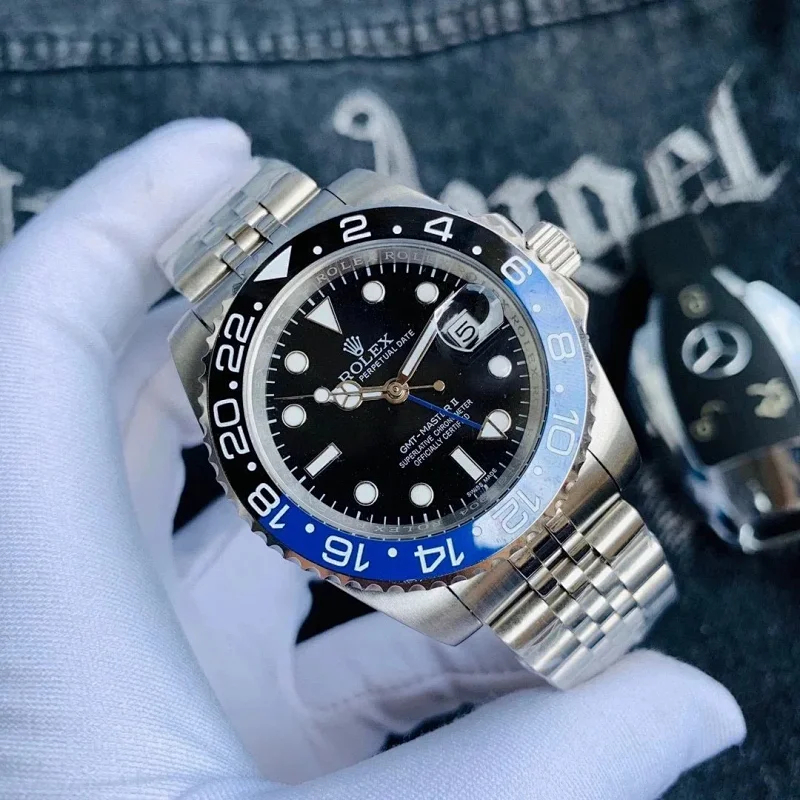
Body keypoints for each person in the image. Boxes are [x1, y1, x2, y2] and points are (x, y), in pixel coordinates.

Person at [0, 119, 744, 799]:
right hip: (451, 534)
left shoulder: (376, 216)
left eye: (398, 384)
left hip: (545, 471)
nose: (395, 389)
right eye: (386, 391)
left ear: (539, 266)